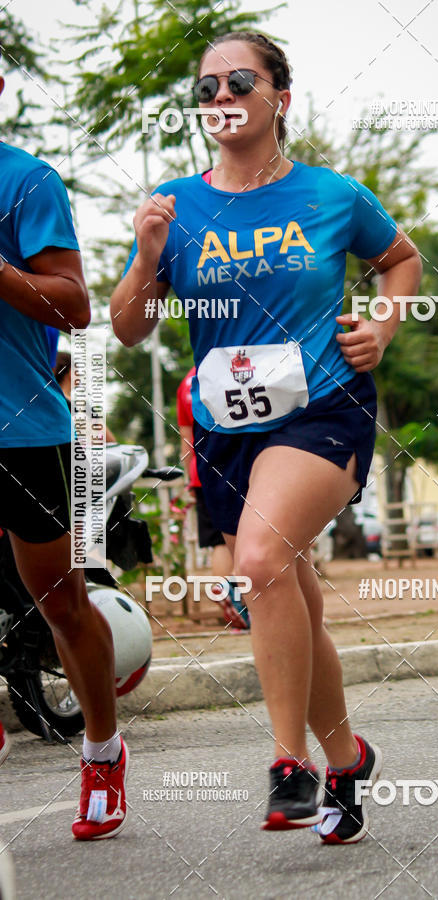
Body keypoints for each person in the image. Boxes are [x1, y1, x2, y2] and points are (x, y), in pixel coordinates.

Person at [110, 30, 421, 843]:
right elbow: (128, 330)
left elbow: (402, 260)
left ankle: (291, 767)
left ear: (280, 96)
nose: (220, 98)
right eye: (206, 88)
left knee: (255, 564)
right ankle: (348, 760)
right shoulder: (176, 207)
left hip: (322, 409)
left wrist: (381, 328)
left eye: (237, 82)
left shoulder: (331, 195)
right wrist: (146, 260)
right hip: (226, 430)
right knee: (286, 590)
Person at [0, 72, 127, 840]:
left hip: (21, 430)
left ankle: (103, 749)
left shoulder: (27, 181)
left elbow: (74, 304)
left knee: (60, 603)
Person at [176, 366, 244, 627]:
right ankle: (247, 606)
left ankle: (231, 609)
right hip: (234, 464)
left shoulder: (185, 382)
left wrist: (188, 478)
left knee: (219, 542)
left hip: (200, 472)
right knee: (244, 536)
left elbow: (185, 434)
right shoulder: (225, 366)